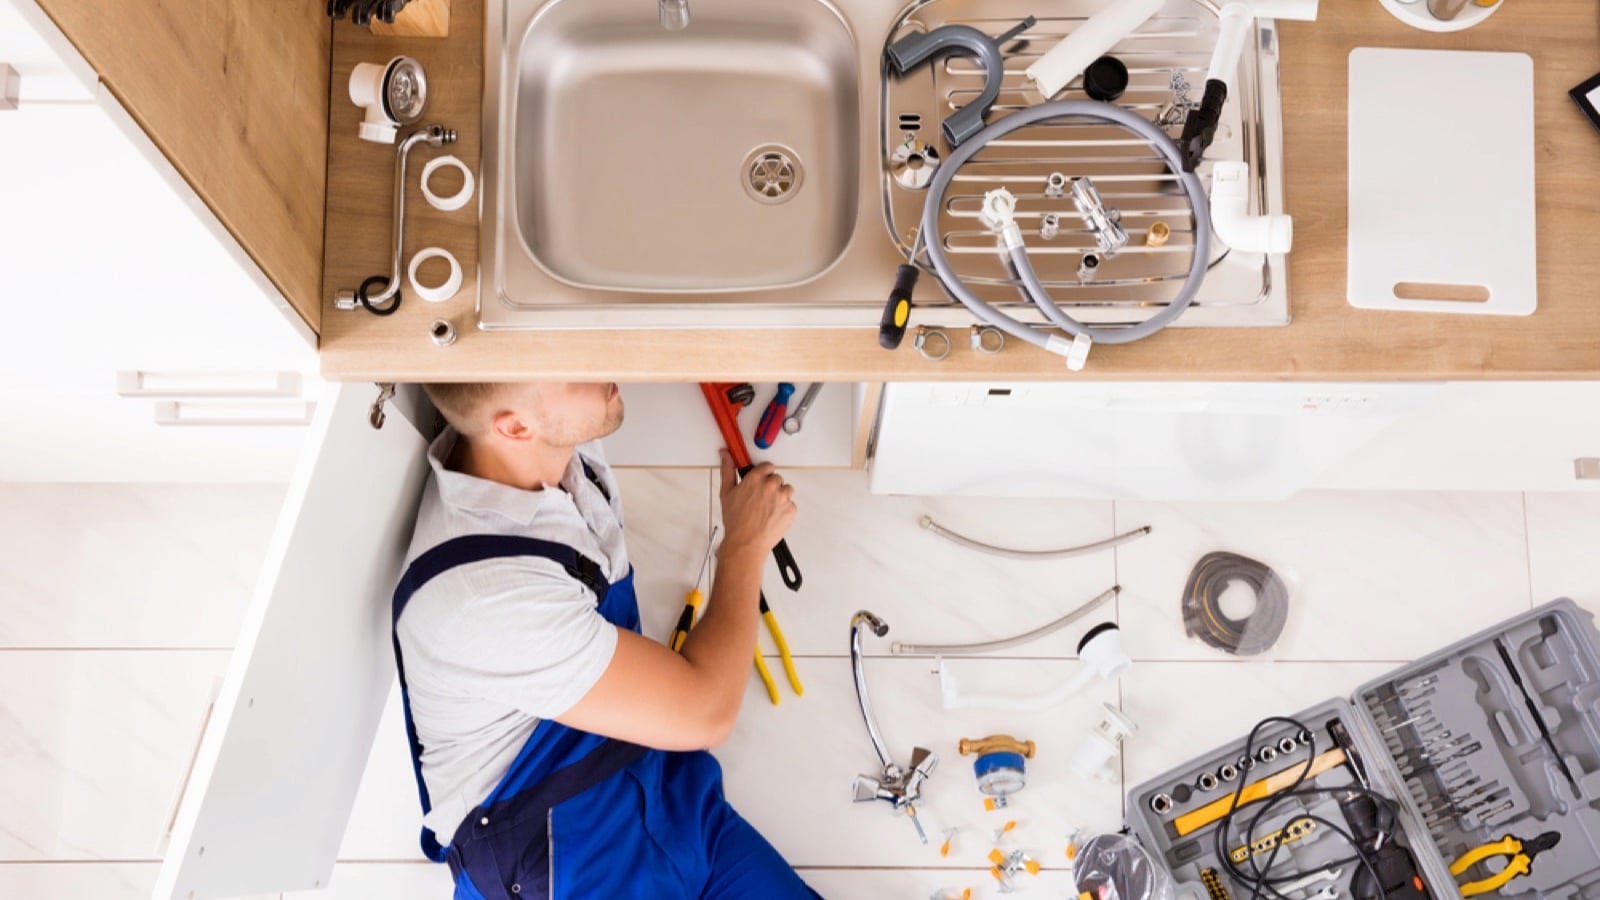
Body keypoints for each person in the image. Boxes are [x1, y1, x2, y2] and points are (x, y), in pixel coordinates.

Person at [391, 381, 818, 899]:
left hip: (664, 799)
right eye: (575, 371)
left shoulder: (549, 445)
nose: (604, 368)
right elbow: (707, 710)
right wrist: (744, 545)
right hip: (561, 865)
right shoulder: (486, 595)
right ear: (515, 426)